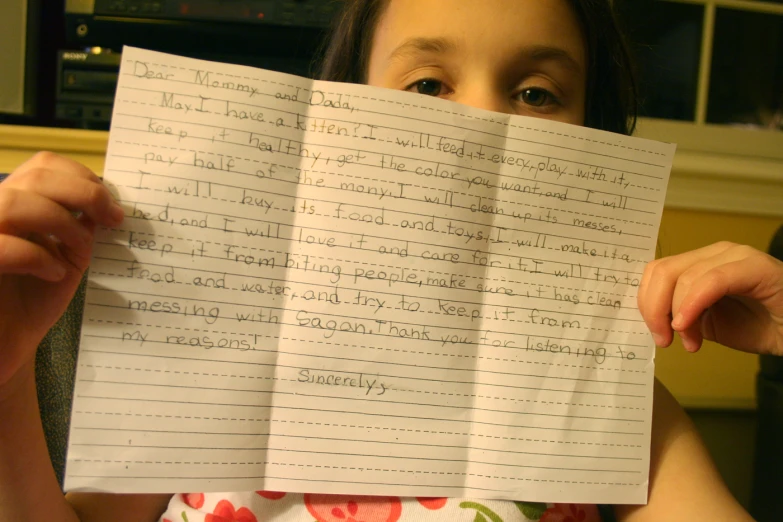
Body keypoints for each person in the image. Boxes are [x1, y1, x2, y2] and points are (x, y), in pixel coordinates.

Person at [0, 0, 781, 521]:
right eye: (427, 83)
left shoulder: (605, 402)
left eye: (538, 94)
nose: (479, 122)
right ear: (342, 111)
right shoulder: (208, 355)